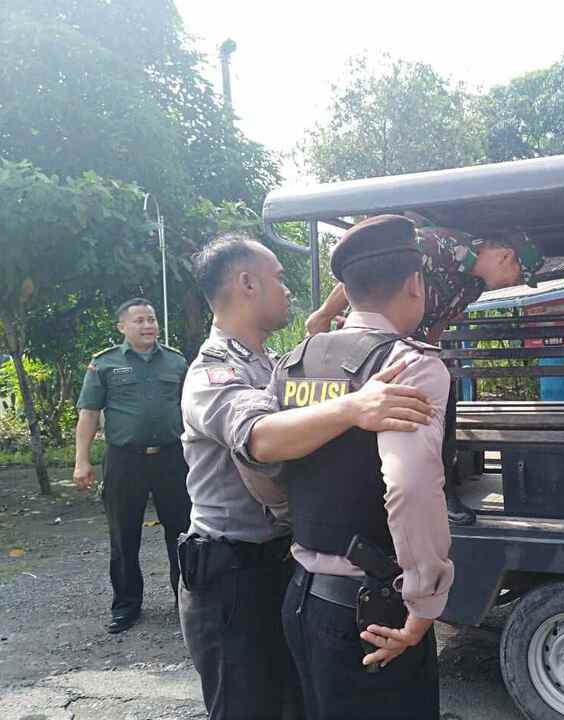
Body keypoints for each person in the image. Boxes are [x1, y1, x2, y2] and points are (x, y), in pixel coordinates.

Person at [178, 232, 432, 720]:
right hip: (233, 575)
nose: (288, 288)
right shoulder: (211, 373)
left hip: (286, 565)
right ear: (247, 284)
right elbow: (259, 439)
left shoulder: (278, 365)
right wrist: (354, 406)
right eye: (278, 277)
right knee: (246, 708)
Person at [242, 215, 453, 719]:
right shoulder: (410, 364)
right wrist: (424, 604)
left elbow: (256, 463)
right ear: (414, 284)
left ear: (349, 291)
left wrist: (298, 515)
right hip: (374, 612)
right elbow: (410, 488)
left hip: (303, 597)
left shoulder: (293, 362)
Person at [307, 216, 545, 525]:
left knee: (440, 405)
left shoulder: (474, 285)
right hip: (375, 345)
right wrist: (324, 314)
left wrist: (429, 355)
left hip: (408, 350)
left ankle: (440, 492)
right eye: (518, 274)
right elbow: (366, 270)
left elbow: (441, 320)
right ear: (505, 256)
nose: (514, 282)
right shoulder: (437, 245)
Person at [74, 298, 191, 634]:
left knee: (182, 532)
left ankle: (186, 602)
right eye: (139, 320)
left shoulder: (176, 362)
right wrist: (82, 461)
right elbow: (89, 414)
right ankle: (126, 606)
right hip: (124, 460)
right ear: (122, 327)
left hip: (172, 458)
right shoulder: (105, 363)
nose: (148, 325)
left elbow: (191, 410)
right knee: (123, 534)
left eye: (151, 319)